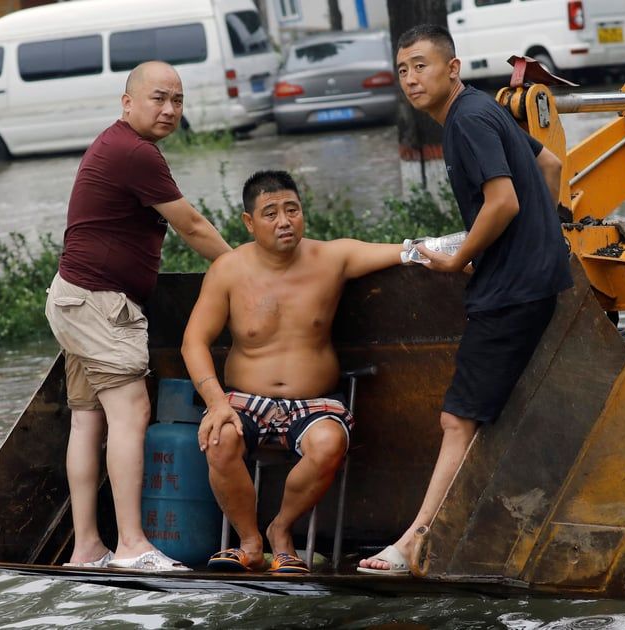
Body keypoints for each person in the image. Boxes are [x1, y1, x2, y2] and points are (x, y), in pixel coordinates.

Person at [357, 25, 572, 575]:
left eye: (421, 65)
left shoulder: (467, 120)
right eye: (402, 69)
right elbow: (549, 165)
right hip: (530, 281)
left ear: (452, 68)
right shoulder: (479, 109)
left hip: (510, 293)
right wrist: (542, 242)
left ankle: (415, 541)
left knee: (457, 420)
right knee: (480, 417)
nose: (411, 78)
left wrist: (460, 259)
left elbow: (502, 203)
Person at [45, 60, 232, 572]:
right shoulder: (135, 151)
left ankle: (87, 548)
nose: (170, 109)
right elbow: (192, 226)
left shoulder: (119, 144)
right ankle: (131, 546)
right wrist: (243, 269)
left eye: (178, 100)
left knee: (88, 422)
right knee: (130, 415)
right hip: (100, 304)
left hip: (73, 298)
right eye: (158, 98)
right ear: (127, 103)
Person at [182, 169, 408, 574]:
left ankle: (281, 531)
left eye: (292, 210)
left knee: (329, 444)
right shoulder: (229, 269)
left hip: (314, 402)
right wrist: (216, 403)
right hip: (244, 399)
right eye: (270, 213)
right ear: (249, 222)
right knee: (219, 438)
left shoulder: (333, 257)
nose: (284, 221)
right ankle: (250, 542)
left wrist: (463, 254)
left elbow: (406, 251)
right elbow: (193, 342)